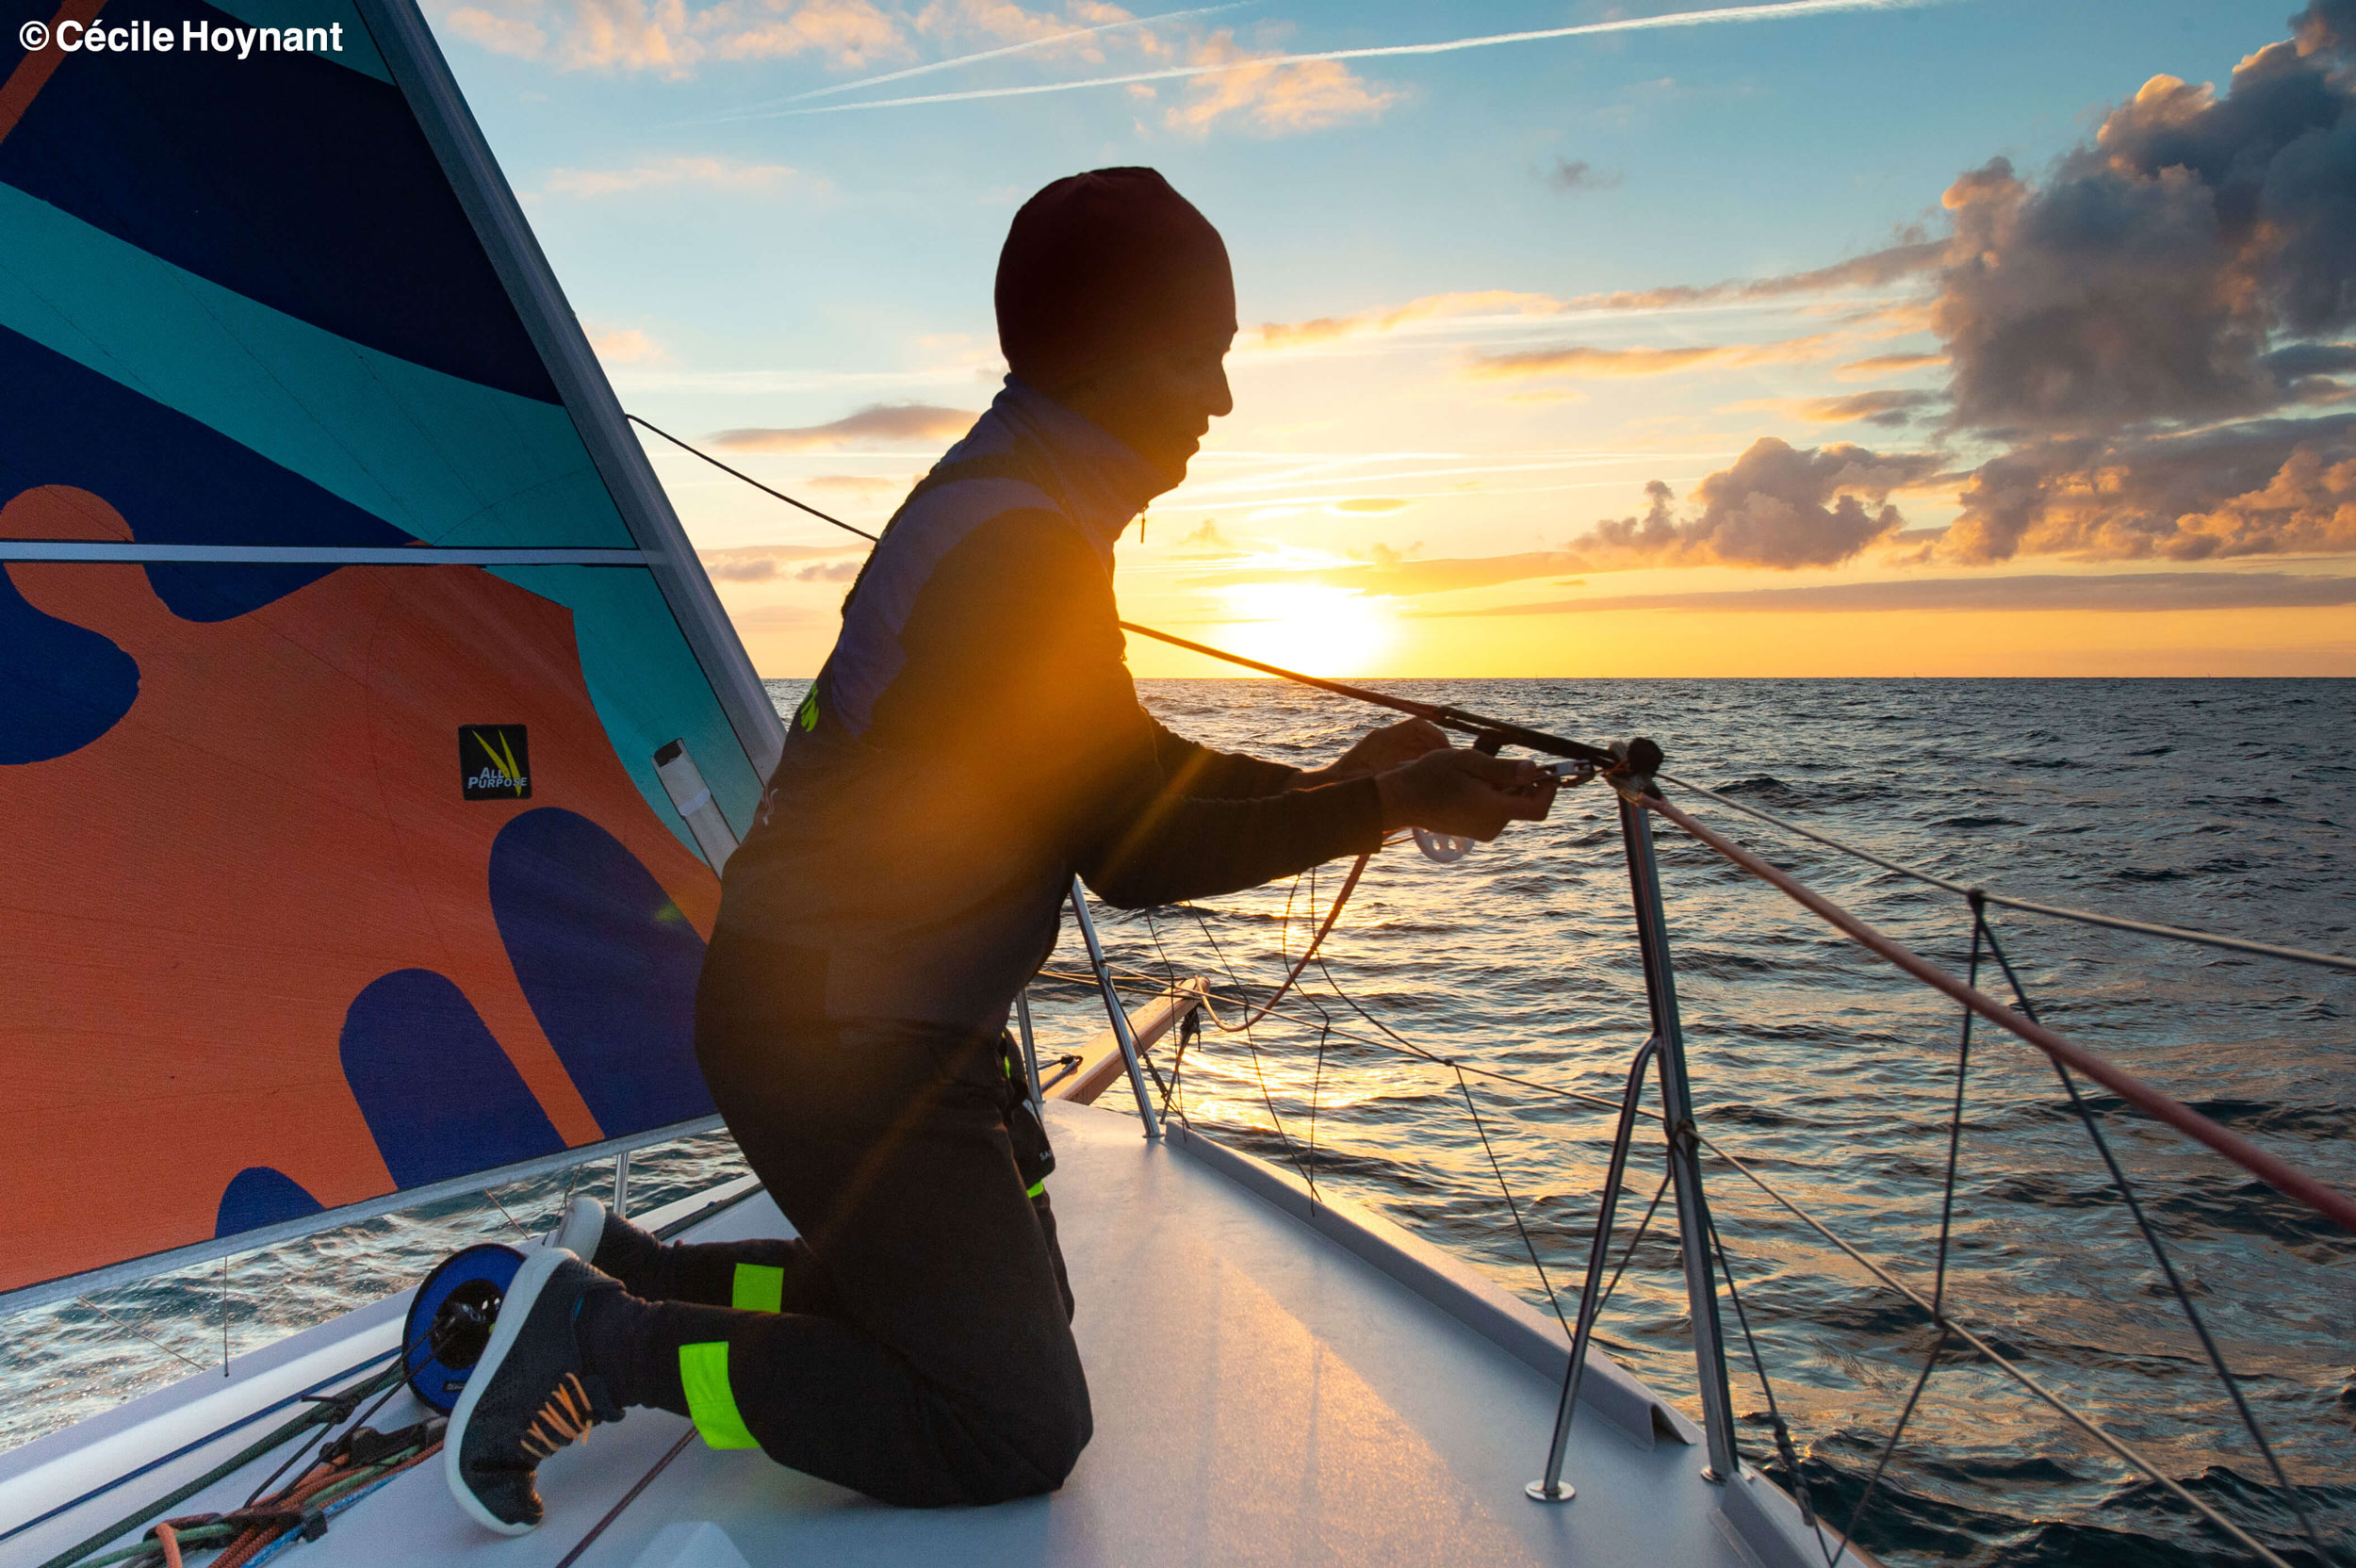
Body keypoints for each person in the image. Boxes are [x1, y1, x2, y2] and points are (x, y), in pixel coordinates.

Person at [442, 167, 1557, 1534]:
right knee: (1007, 1419)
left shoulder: (1019, 513)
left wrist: (1349, 779)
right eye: (1200, 356)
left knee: (997, 1321)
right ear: (1110, 352)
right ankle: (605, 1350)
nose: (1218, 398)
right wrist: (1387, 805)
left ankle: (639, 1276)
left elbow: (1128, 770)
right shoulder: (1019, 556)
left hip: (868, 1022)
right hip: (843, 1043)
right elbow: (1129, 854)